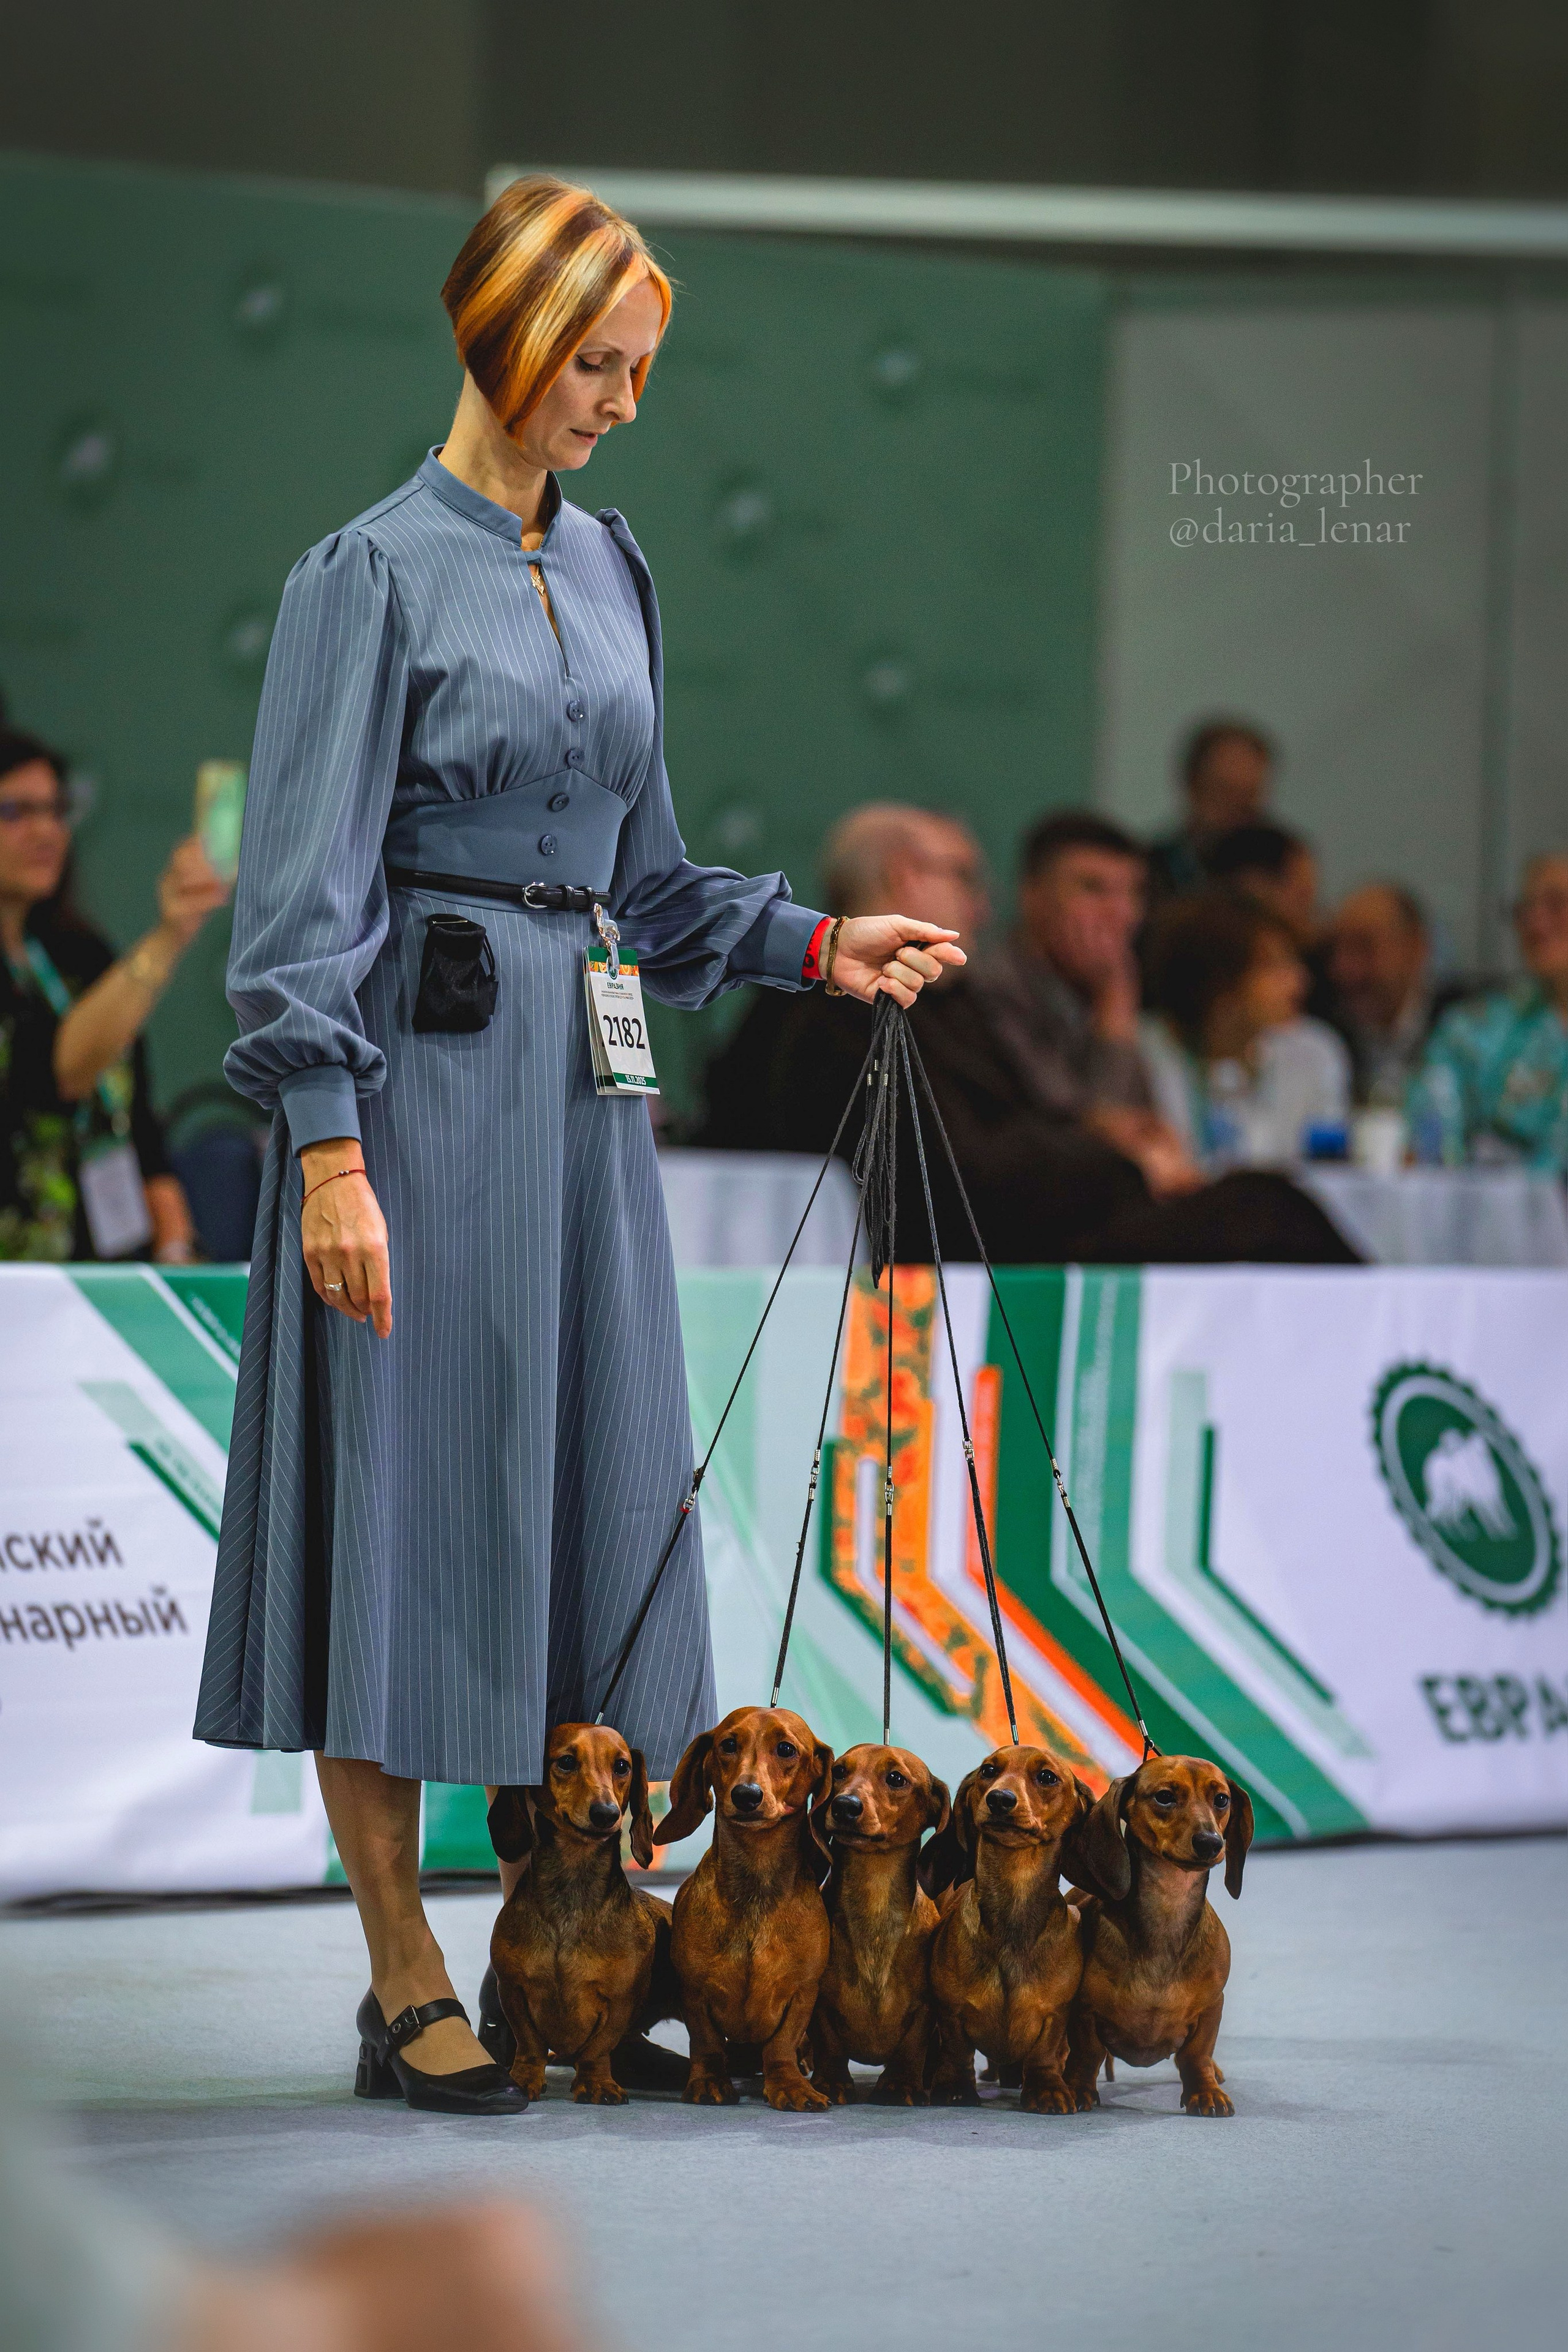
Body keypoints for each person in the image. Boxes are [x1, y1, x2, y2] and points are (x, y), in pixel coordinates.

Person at [193, 176, 963, 2118]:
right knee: (397, 1533)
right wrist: (327, 1152)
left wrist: (815, 942)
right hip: (417, 1106)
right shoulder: (359, 576)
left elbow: (652, 882)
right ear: (501, 340)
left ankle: (581, 1949)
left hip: (583, 1103)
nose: (620, 402)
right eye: (595, 365)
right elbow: (294, 902)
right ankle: (403, 1971)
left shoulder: (614, 565)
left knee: (607, 1513)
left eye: (639, 371)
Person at [707, 803, 1356, 1266]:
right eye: (964, 876)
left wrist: (1103, 1140)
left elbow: (1007, 1131)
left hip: (1033, 1227)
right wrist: (1120, 1163)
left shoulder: (934, 1007)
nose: (982, 904)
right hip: (998, 1256)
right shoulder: (841, 1011)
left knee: (1267, 1205)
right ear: (905, 876)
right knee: (1267, 1213)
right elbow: (951, 1175)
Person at [0, 724, 227, 1263]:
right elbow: (58, 1074)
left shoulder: (80, 954)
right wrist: (172, 934)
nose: (47, 832)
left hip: (109, 1273)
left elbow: (138, 1122)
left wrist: (177, 1249)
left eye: (56, 810)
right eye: (16, 813)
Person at [973, 808, 1197, 1198]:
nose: (1121, 914)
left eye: (1134, 893)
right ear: (1033, 897)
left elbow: (1142, 1124)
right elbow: (1085, 1126)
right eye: (1093, 889)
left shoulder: (1096, 987)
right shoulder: (992, 989)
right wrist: (1115, 1012)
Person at [1141, 889, 1352, 1169]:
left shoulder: (1314, 1051)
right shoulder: (1145, 1051)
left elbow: (1330, 1174)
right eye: (1273, 966)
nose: (1299, 981)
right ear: (1217, 980)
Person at [1408, 852, 1568, 1169]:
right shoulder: (1471, 1031)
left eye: (1556, 903)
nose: (1536, 924)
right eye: (1524, 910)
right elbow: (1429, 1146)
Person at [1327, 880, 1463, 1107]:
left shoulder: (1467, 1028)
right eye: (1337, 948)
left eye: (1364, 947)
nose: (1344, 968)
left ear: (1417, 946)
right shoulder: (1328, 1031)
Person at [1147, 717, 1273, 900]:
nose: (1238, 808)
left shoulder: (1277, 875)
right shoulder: (1148, 872)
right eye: (1224, 791)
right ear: (1192, 787)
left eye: (1249, 795)